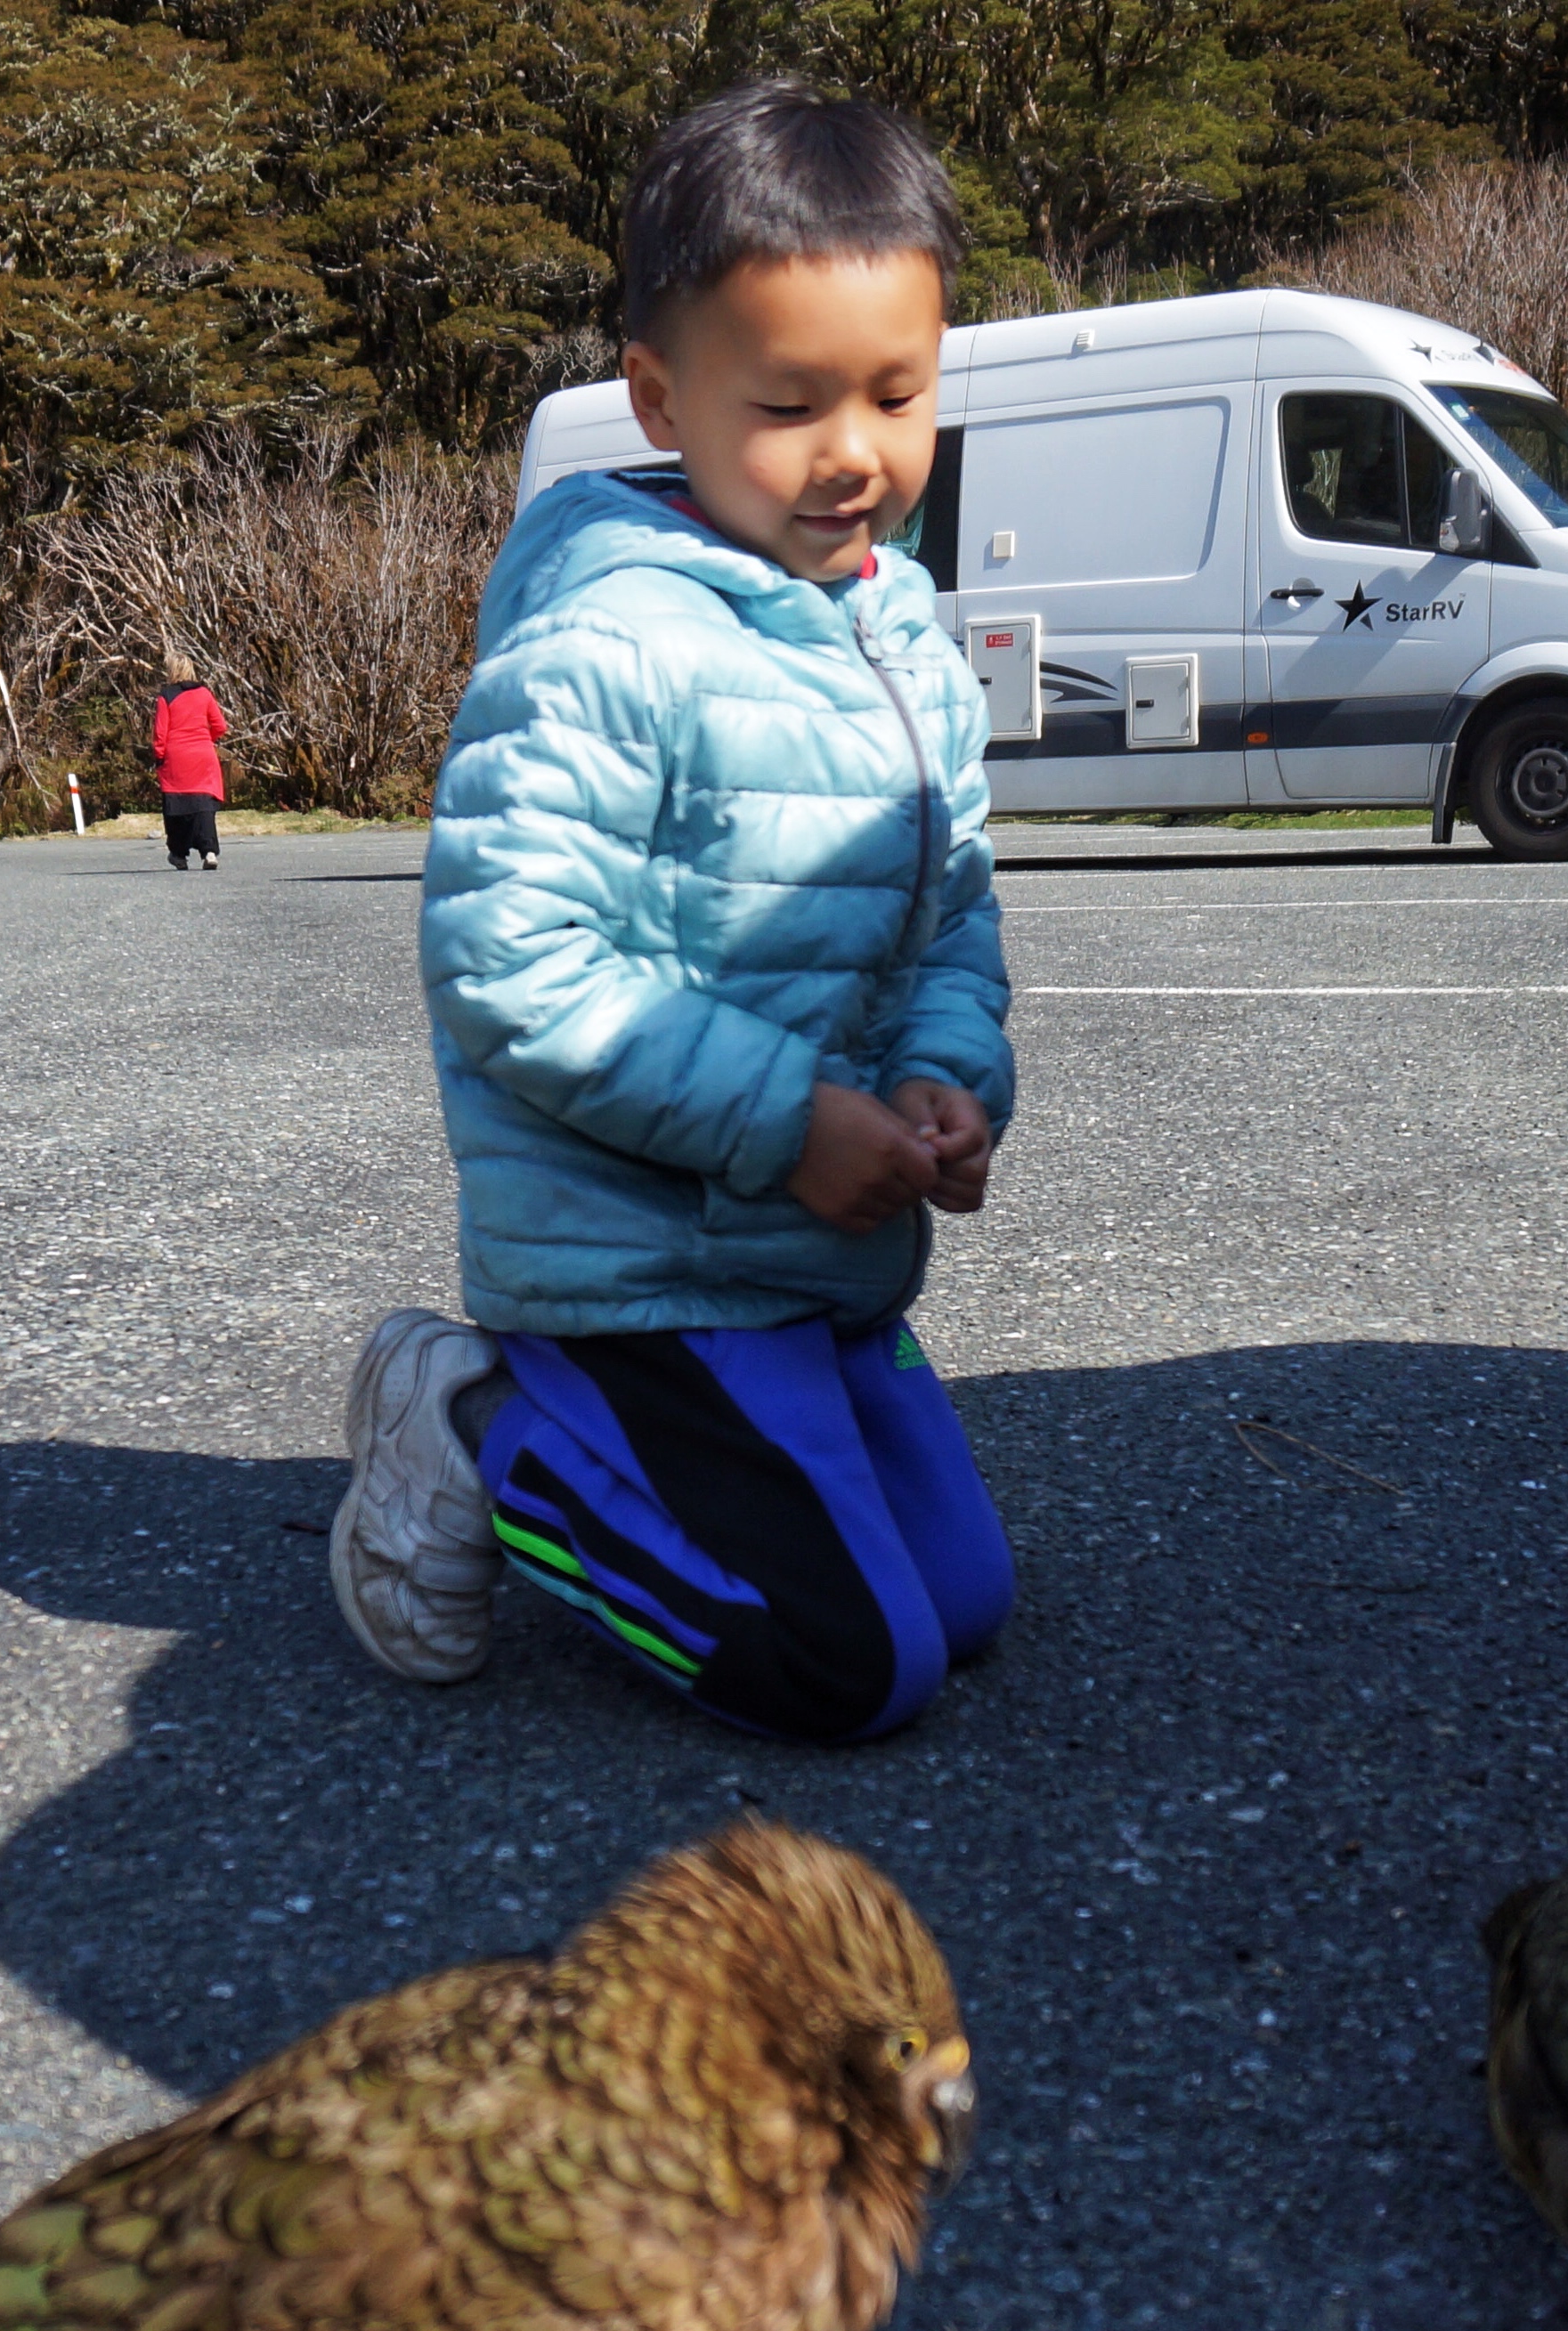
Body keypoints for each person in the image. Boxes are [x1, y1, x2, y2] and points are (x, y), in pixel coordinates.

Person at [327, 77, 1014, 1746]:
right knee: (852, 1666)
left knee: (970, 1604)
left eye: (897, 394)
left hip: (820, 1251)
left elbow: (951, 919)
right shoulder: (608, 642)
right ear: (658, 396)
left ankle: (647, 1445)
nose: (854, 454)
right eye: (788, 404)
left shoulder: (900, 636)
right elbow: (510, 959)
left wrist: (947, 1079)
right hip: (648, 1261)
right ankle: (479, 1418)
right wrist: (787, 1124)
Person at [152, 658, 230, 871]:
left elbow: (161, 733)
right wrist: (206, 739)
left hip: (176, 755)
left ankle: (179, 854)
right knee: (204, 804)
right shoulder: (204, 694)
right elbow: (220, 726)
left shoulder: (166, 696)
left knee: (176, 807)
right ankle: (210, 851)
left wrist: (159, 756)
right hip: (203, 754)